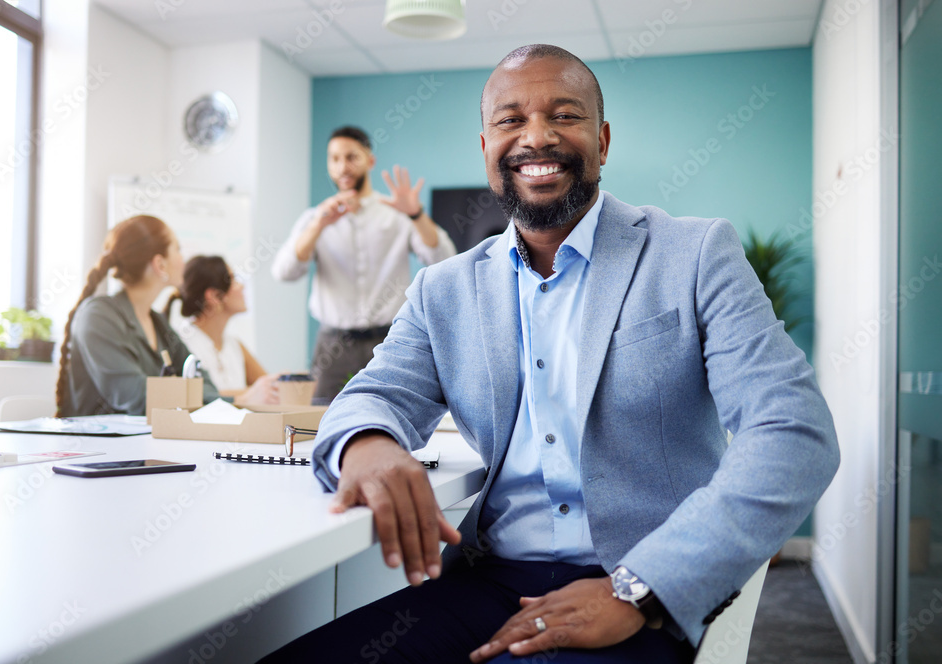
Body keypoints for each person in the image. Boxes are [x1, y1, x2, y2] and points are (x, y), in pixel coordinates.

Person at [263, 45, 839, 664]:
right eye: (511, 121)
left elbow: (792, 433)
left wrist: (638, 589)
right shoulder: (444, 288)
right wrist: (366, 444)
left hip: (639, 590)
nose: (536, 138)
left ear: (603, 139)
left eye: (564, 115)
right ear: (485, 146)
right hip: (490, 583)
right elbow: (373, 395)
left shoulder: (695, 254)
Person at [271, 126, 457, 402]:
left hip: (388, 341)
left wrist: (416, 214)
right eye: (334, 159)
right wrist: (318, 226)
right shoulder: (315, 218)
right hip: (331, 347)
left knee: (391, 415)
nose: (342, 167)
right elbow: (284, 272)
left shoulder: (398, 213)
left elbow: (444, 260)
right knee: (322, 422)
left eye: (351, 157)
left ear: (370, 161)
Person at [55, 216, 271, 417]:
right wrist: (198, 394)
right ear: (160, 265)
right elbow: (136, 397)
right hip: (100, 451)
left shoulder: (158, 323)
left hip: (146, 446)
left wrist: (201, 396)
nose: (182, 259)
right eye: (177, 249)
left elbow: (203, 383)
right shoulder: (98, 317)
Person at [166, 255, 282, 404]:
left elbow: (269, 387)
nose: (242, 286)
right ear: (213, 296)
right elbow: (197, 398)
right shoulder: (183, 345)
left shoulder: (235, 345)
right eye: (233, 280)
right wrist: (249, 394)